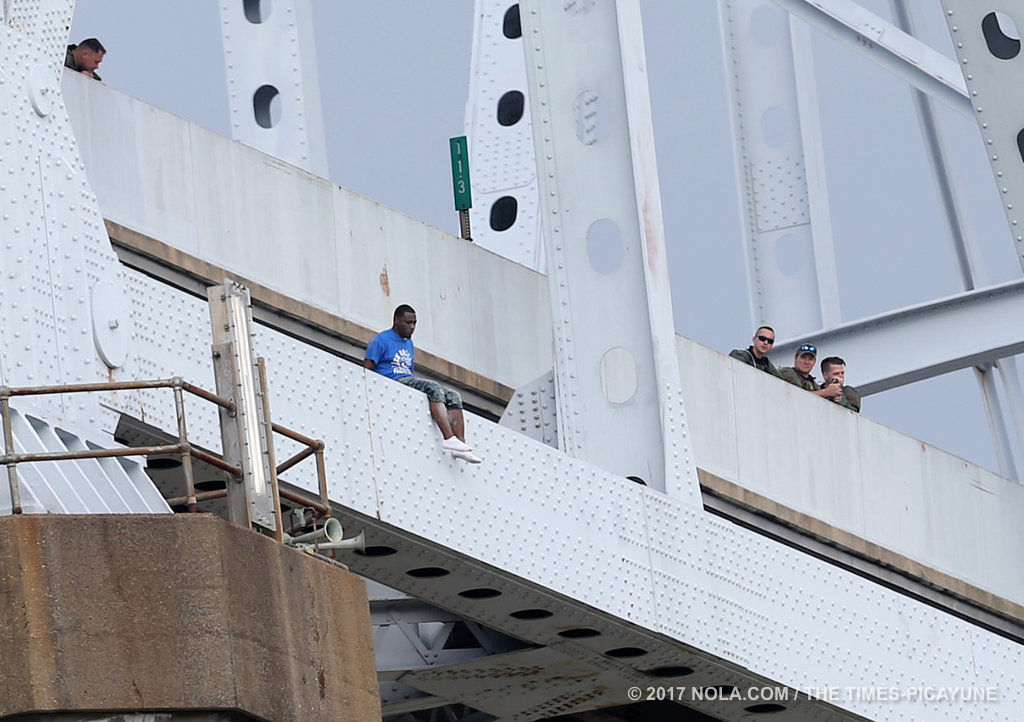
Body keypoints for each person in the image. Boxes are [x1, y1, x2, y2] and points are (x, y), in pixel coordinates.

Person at [364, 305, 481, 464]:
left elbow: (409, 371)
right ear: (396, 320)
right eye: (408, 322)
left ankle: (460, 444)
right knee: (433, 387)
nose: (412, 327)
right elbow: (367, 368)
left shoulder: (408, 342)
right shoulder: (380, 340)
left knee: (454, 396)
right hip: (392, 380)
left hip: (407, 379)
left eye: (414, 323)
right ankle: (448, 437)